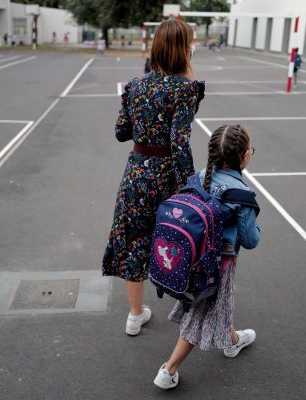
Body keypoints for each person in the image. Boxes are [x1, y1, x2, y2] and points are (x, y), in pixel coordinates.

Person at [102, 19, 205, 336]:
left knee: (134, 242)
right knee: (180, 241)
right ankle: (189, 315)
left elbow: (122, 133)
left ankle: (135, 316)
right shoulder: (186, 89)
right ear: (182, 50)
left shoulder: (135, 86)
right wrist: (191, 188)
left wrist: (143, 122)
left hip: (136, 175)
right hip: (166, 178)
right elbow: (179, 143)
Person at [154, 124, 260, 390]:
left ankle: (233, 341)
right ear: (245, 156)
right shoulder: (242, 195)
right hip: (216, 266)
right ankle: (168, 370)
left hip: (191, 259)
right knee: (201, 314)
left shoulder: (200, 177)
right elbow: (250, 240)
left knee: (218, 306)